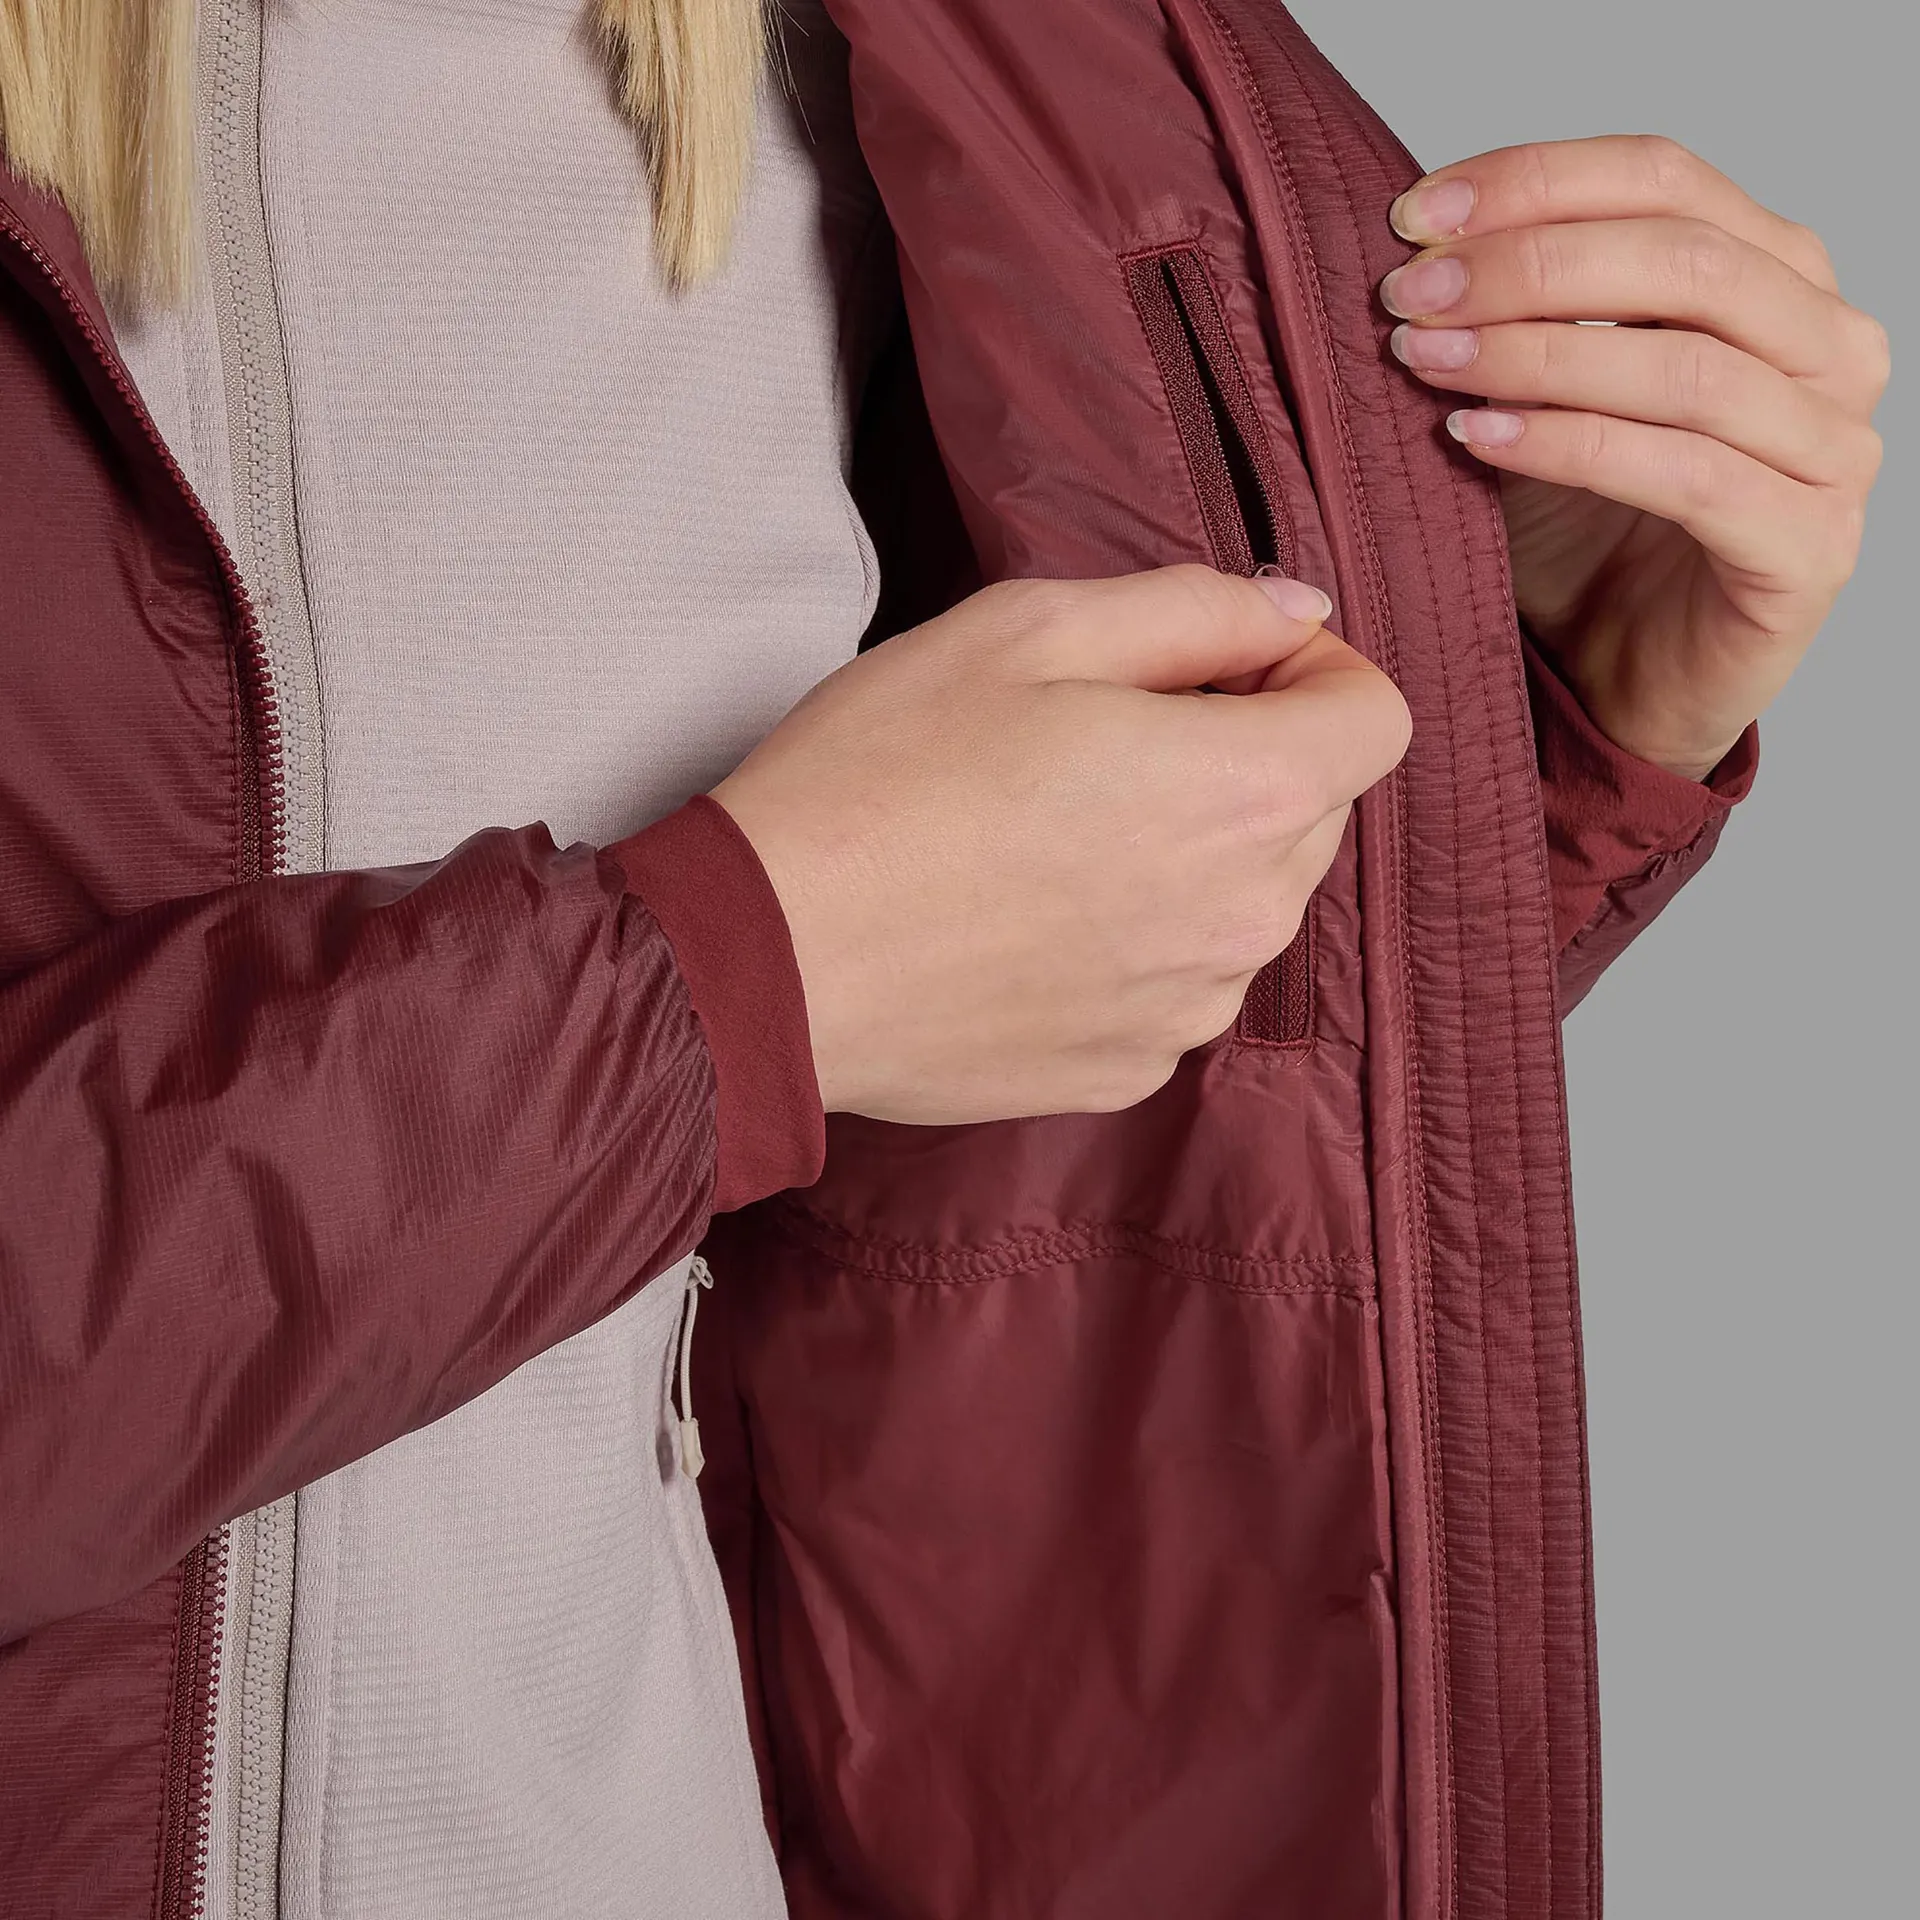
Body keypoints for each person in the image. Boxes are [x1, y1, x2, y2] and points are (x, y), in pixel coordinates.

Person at [0, 0, 1885, 1915]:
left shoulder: (872, 60)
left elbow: (915, 1181)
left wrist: (1488, 748)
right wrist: (720, 982)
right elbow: (774, 990)